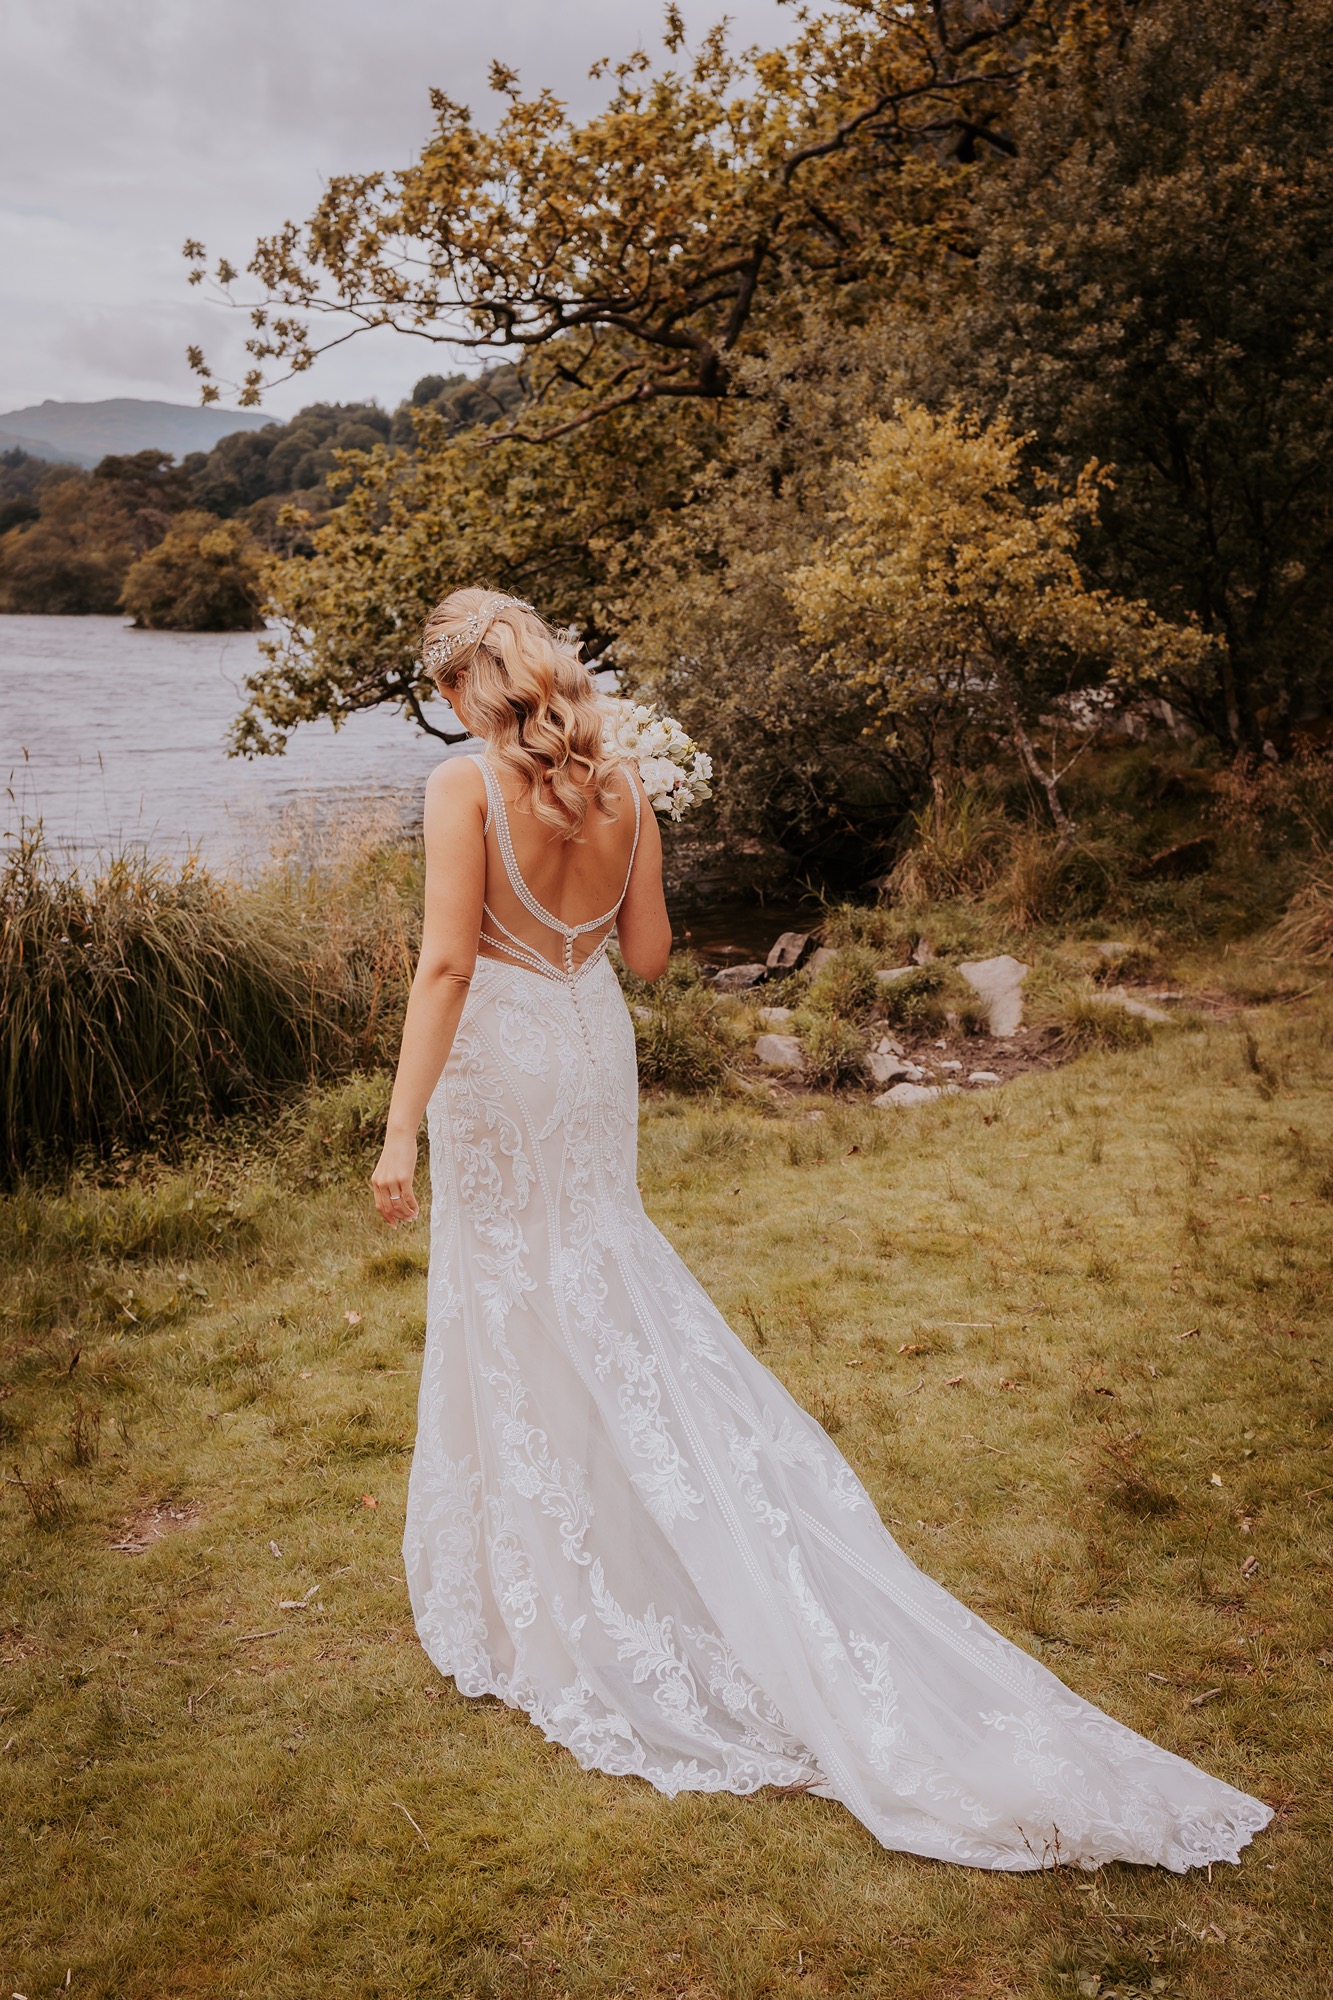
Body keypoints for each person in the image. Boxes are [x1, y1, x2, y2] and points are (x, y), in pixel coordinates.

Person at [371, 587, 1270, 1873]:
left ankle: (557, 1588)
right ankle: (611, 1541)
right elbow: (656, 954)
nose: (452, 706)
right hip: (587, 1041)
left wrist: (400, 1130)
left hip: (498, 1055)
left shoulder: (459, 789)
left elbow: (445, 966)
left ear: (467, 685)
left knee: (510, 1290)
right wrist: (588, 891)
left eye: (449, 687)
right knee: (598, 1268)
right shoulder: (623, 783)